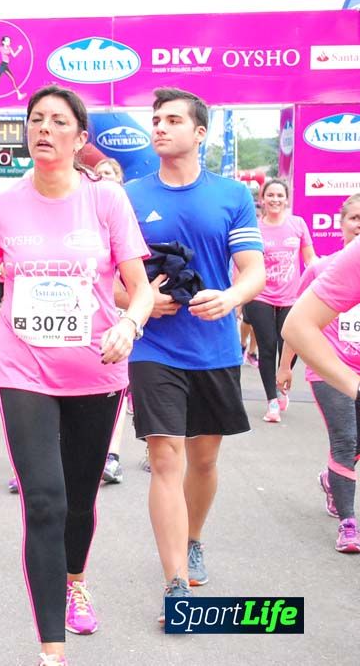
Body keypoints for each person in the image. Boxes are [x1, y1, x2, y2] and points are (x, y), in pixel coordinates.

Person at [0, 86, 152, 665]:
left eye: (57, 121)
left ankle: (76, 579)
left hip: (97, 371)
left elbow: (141, 287)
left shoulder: (106, 201)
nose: (43, 128)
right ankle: (53, 651)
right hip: (24, 369)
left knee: (78, 499)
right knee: (44, 500)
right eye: (35, 119)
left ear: (80, 137)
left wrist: (129, 323)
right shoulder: (3, 207)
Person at [123, 88, 264, 622]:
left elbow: (253, 270)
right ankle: (176, 583)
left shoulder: (231, 194)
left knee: (203, 461)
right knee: (165, 458)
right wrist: (140, 301)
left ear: (199, 133)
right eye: (156, 119)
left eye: (172, 120)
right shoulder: (130, 197)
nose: (160, 127)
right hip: (153, 346)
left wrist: (230, 297)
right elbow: (109, 279)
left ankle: (194, 536)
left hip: (214, 347)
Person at [280, 193, 360, 553]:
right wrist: (286, 365)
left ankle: (331, 478)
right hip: (331, 368)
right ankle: (348, 523)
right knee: (344, 440)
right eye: (354, 218)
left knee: (354, 444)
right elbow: (298, 323)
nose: (359, 225)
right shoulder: (320, 268)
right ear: (341, 223)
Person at [243, 178, 315, 423]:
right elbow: (244, 263)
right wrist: (239, 294)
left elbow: (310, 260)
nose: (275, 199)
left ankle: (281, 382)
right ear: (262, 199)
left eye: (279, 195)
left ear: (286, 199)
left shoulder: (298, 224)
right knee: (267, 346)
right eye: (270, 195)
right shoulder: (254, 227)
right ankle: (272, 401)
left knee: (290, 345)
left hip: (291, 296)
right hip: (260, 294)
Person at [91, 158, 131, 484]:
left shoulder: (128, 214)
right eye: (98, 174)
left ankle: (111, 456)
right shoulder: (83, 212)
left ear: (119, 180)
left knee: (117, 384)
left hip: (124, 311)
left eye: (109, 174)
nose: (103, 178)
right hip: (86, 312)